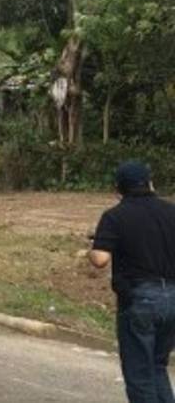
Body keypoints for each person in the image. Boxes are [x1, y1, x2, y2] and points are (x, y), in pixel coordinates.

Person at [90, 161, 175, 402]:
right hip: (173, 299)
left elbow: (100, 260)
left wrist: (92, 248)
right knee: (158, 367)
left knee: (139, 374)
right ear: (150, 183)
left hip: (140, 300)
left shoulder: (115, 216)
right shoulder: (171, 212)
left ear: (118, 189)